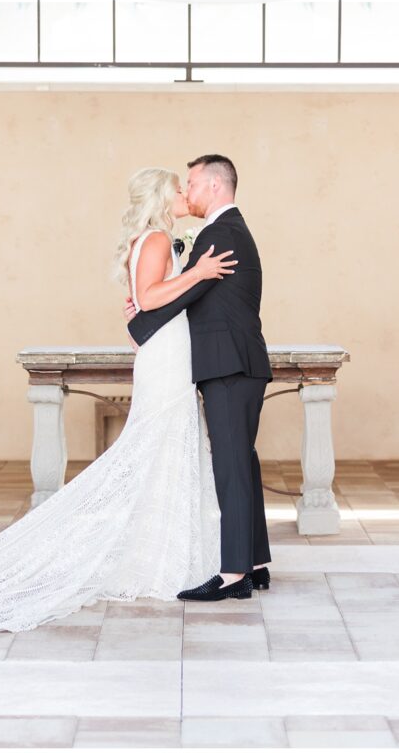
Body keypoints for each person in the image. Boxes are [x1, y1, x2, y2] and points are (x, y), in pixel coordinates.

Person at [0, 168, 238, 638]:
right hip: (166, 359)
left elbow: (140, 306)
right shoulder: (153, 241)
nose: (182, 195)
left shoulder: (153, 240)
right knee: (159, 447)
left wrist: (175, 285)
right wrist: (198, 272)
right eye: (176, 188)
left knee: (169, 452)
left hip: (165, 352)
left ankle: (165, 551)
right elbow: (148, 299)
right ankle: (159, 558)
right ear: (158, 196)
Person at [125, 154, 274, 602]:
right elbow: (196, 291)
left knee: (230, 467)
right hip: (237, 362)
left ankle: (233, 576)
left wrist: (139, 326)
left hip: (229, 364)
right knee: (241, 461)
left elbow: (193, 288)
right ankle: (257, 562)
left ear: (213, 186)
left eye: (190, 183)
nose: (186, 192)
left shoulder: (219, 233)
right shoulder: (229, 229)